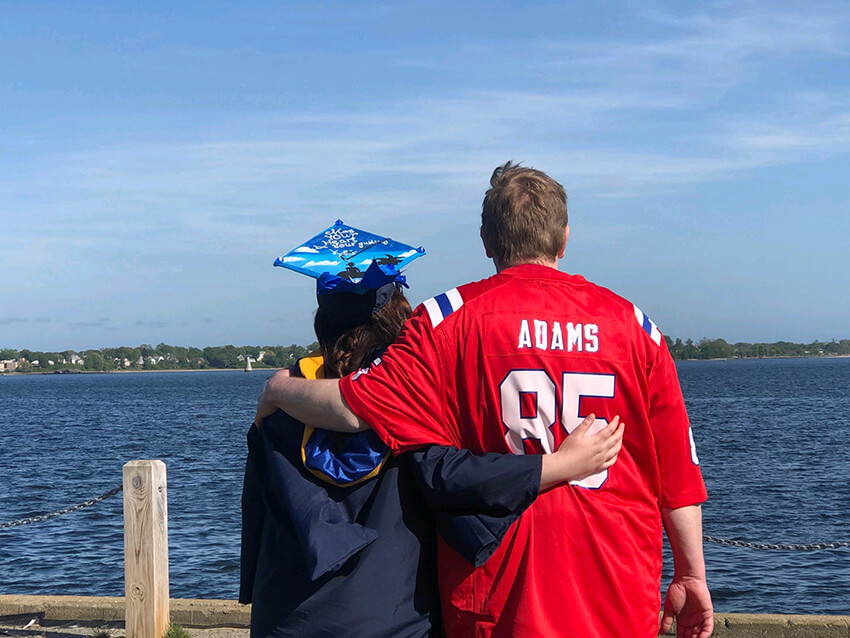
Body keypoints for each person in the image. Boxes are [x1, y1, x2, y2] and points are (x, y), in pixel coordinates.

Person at [255, 164, 712, 638]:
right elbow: (677, 474)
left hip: (496, 593)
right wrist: (691, 574)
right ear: (564, 237)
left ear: (486, 241)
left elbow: (358, 406)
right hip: (616, 585)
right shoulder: (635, 328)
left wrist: (276, 389)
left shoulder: (445, 320)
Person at [241, 237, 624, 637]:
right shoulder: (412, 395)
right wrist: (559, 465)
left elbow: (257, 512)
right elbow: (451, 477)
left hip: (285, 616)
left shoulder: (284, 400)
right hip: (391, 617)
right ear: (394, 314)